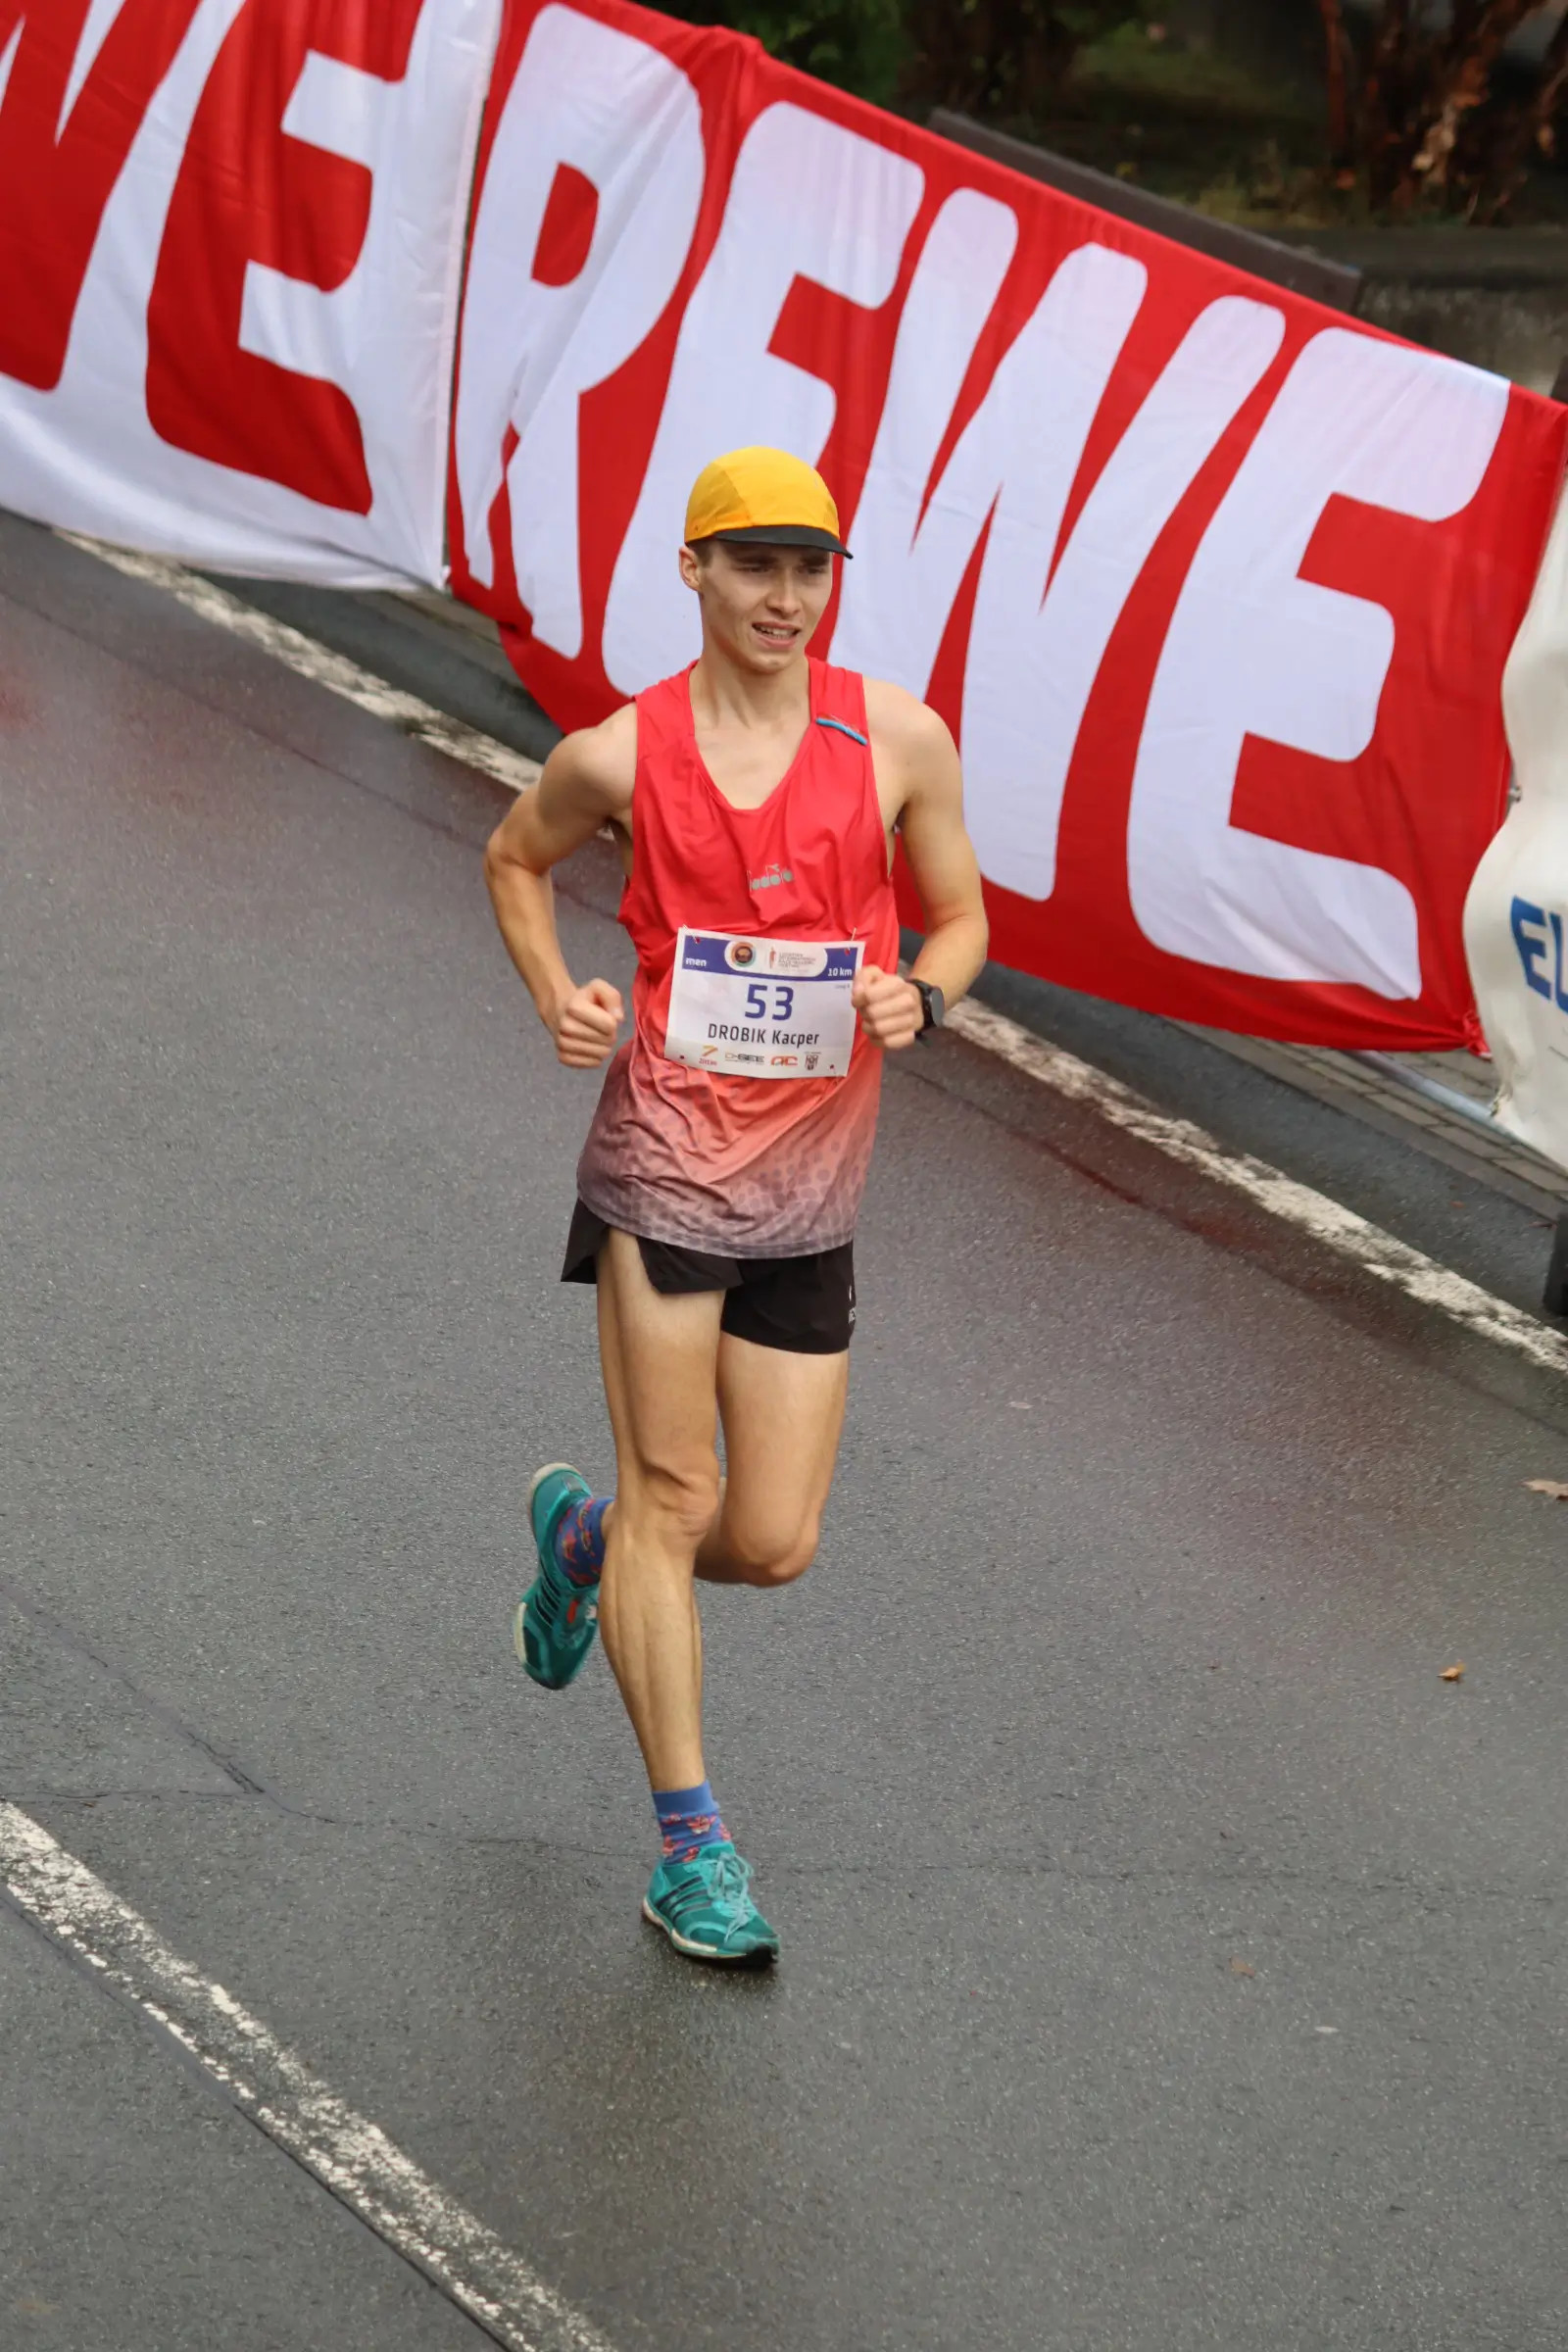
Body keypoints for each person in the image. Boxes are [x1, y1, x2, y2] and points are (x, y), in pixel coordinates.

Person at [483, 446, 988, 1966]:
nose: (784, 595)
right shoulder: (621, 757)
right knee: (679, 1493)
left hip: (814, 1192)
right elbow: (516, 860)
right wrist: (557, 992)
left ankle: (587, 1546)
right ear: (692, 572)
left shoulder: (896, 740)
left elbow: (962, 918)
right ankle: (692, 1850)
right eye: (753, 564)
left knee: (767, 1542)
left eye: (809, 567)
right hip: (664, 1165)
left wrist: (927, 996)